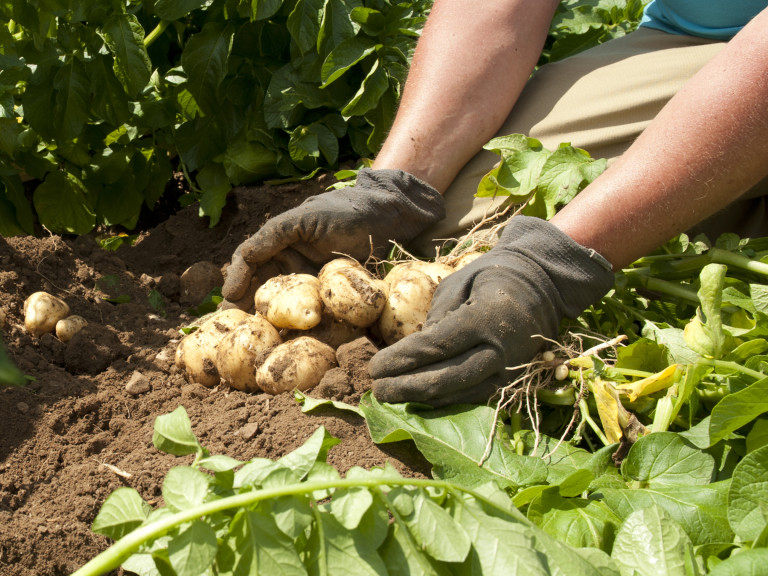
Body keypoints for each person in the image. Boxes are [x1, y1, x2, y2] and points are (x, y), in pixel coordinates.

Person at [222, 0, 768, 407]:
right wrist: (398, 186)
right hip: (688, 42)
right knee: (454, 233)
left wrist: (554, 267)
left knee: (530, 250)